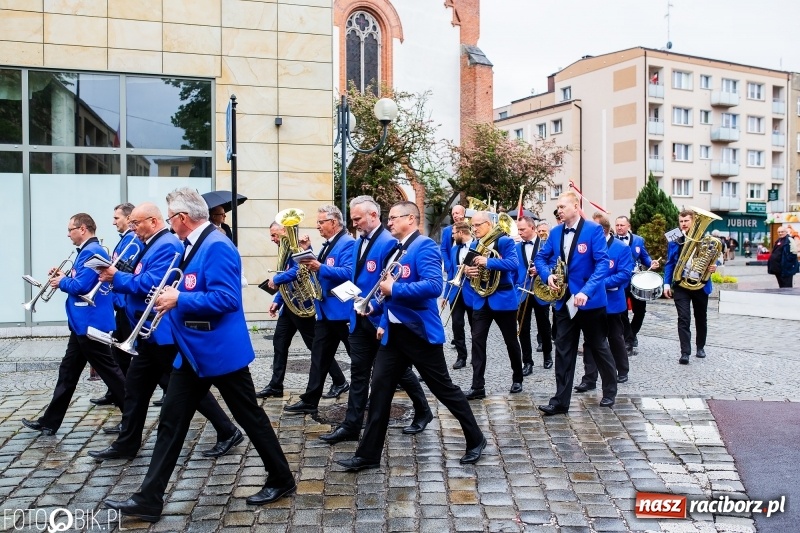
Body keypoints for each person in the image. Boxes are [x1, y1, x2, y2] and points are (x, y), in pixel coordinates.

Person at [104, 188, 295, 523]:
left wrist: (180, 299)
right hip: (192, 352)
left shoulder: (217, 245)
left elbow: (227, 299)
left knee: (250, 417)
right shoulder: (192, 245)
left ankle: (282, 478)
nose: (168, 224)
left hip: (219, 352)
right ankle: (149, 499)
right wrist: (171, 295)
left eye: (170, 218)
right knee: (171, 422)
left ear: (181, 219)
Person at [335, 201, 486, 471]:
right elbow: (387, 291)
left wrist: (394, 290)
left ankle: (476, 438)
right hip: (394, 335)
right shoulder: (397, 249)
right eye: (389, 218)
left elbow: (433, 286)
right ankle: (368, 455)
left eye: (394, 218)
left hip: (418, 333)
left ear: (411, 219)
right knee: (379, 391)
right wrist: (375, 306)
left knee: (445, 390)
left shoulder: (424, 246)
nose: (389, 222)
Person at [89, 203, 241, 461]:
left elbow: (151, 284)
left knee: (186, 388)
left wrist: (117, 278)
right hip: (147, 332)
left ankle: (227, 430)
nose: (133, 228)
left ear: (153, 220)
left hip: (162, 332)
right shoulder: (151, 243)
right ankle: (127, 443)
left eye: (137, 223)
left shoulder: (167, 244)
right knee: (136, 389)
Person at [319, 196, 431, 445]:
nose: (354, 223)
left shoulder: (390, 242)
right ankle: (351, 425)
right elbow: (355, 276)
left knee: (399, 371)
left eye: (358, 218)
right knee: (359, 373)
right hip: (359, 317)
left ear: (373, 215)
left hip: (381, 318)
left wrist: (380, 317)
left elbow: (392, 282)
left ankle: (423, 409)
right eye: (352, 218)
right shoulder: (359, 241)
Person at [21, 214, 127, 435]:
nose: (68, 234)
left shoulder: (93, 251)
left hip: (90, 323)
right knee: (67, 373)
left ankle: (133, 417)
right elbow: (80, 279)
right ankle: (50, 422)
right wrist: (63, 275)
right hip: (80, 323)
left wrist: (62, 281)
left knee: (112, 374)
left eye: (70, 229)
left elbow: (82, 286)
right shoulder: (87, 252)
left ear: (83, 229)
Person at [534, 191, 618, 415]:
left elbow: (602, 263)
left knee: (598, 346)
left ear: (575, 206)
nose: (559, 210)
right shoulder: (555, 232)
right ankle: (560, 401)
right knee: (563, 351)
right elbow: (541, 258)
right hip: (564, 302)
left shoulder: (593, 230)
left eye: (562, 206)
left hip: (590, 303)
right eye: (558, 207)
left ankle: (610, 390)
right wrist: (547, 276)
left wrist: (587, 292)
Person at [256, 222, 346, 398]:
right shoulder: (284, 250)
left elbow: (299, 269)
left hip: (302, 305)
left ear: (284, 232)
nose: (272, 239)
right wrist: (277, 300)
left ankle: (339, 380)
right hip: (289, 305)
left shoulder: (297, 247)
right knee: (279, 342)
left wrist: (278, 277)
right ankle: (276, 385)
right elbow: (286, 278)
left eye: (275, 235)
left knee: (316, 346)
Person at [283, 205, 354, 415]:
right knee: (319, 357)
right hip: (326, 311)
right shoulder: (330, 243)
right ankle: (310, 400)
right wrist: (309, 252)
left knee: (360, 357)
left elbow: (349, 273)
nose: (317, 226)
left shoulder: (348, 243)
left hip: (341, 312)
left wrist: (320, 267)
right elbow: (323, 264)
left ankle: (392, 384)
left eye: (321, 222)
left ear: (333, 222)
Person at [461, 211, 524, 399]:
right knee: (477, 342)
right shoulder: (473, 244)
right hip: (481, 299)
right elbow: (466, 268)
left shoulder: (504, 241)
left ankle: (517, 378)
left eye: (478, 225)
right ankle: (477, 386)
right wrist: (468, 271)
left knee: (511, 341)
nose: (474, 229)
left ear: (489, 224)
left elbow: (513, 264)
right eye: (472, 226)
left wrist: (488, 261)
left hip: (503, 299)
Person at [576, 214, 633, 391]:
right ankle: (589, 378)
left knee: (615, 338)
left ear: (601, 231)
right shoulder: (588, 247)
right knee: (590, 340)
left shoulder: (621, 248)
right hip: (591, 303)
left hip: (612, 303)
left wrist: (597, 285)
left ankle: (622, 370)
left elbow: (624, 274)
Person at [90, 203, 138, 407]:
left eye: (117, 218)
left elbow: (124, 269)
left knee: (123, 355)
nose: (113, 222)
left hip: (125, 302)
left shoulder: (132, 240)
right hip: (119, 301)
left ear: (128, 218)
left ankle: (125, 398)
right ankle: (115, 393)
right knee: (118, 354)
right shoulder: (124, 240)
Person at [663, 209, 719, 364]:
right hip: (681, 284)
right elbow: (669, 262)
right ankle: (685, 352)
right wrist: (666, 283)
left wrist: (714, 266)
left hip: (700, 284)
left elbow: (716, 257)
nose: (683, 224)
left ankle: (700, 346)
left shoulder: (706, 238)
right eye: (681, 221)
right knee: (683, 318)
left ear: (693, 221)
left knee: (701, 317)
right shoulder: (674, 236)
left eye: (686, 221)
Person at [614, 215, 659, 355]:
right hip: (621, 281)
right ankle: (628, 340)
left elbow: (644, 257)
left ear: (629, 226)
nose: (619, 228)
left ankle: (631, 335)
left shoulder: (638, 240)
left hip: (637, 280)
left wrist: (651, 262)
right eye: (617, 225)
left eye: (622, 225)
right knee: (621, 312)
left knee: (640, 311)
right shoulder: (612, 241)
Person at [515, 216, 553, 375]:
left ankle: (547, 355)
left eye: (522, 229)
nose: (520, 232)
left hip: (541, 289)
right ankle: (527, 361)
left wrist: (541, 270)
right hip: (523, 290)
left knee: (544, 324)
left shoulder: (545, 245)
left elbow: (553, 263)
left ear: (532, 228)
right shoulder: (516, 247)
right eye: (519, 229)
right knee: (523, 327)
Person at [445, 220, 474, 369]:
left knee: (475, 326)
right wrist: (445, 295)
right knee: (457, 324)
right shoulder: (454, 249)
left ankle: (476, 355)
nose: (452, 236)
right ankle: (461, 356)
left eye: (454, 233)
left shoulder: (477, 246)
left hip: (472, 292)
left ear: (461, 233)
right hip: (456, 291)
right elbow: (450, 273)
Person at [440, 204, 467, 277]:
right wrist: (448, 265)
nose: (454, 215)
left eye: (457, 213)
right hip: (451, 267)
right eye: (453, 214)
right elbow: (443, 249)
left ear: (463, 214)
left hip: (467, 268)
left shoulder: (469, 229)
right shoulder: (447, 230)